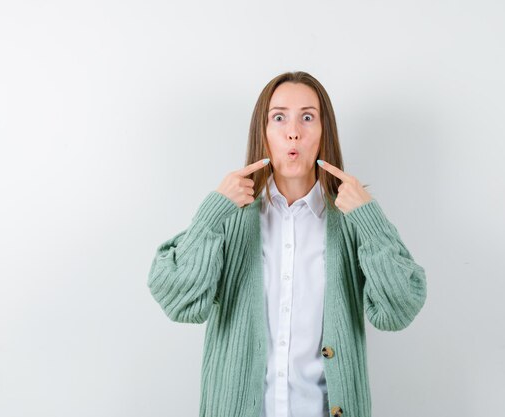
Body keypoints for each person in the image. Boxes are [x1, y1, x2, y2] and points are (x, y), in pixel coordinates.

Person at [147, 71, 427, 417]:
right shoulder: (230, 218)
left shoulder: (352, 222)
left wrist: (369, 219)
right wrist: (212, 213)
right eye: (279, 117)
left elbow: (400, 308)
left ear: (324, 133)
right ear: (263, 134)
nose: (293, 131)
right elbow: (176, 299)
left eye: (307, 117)